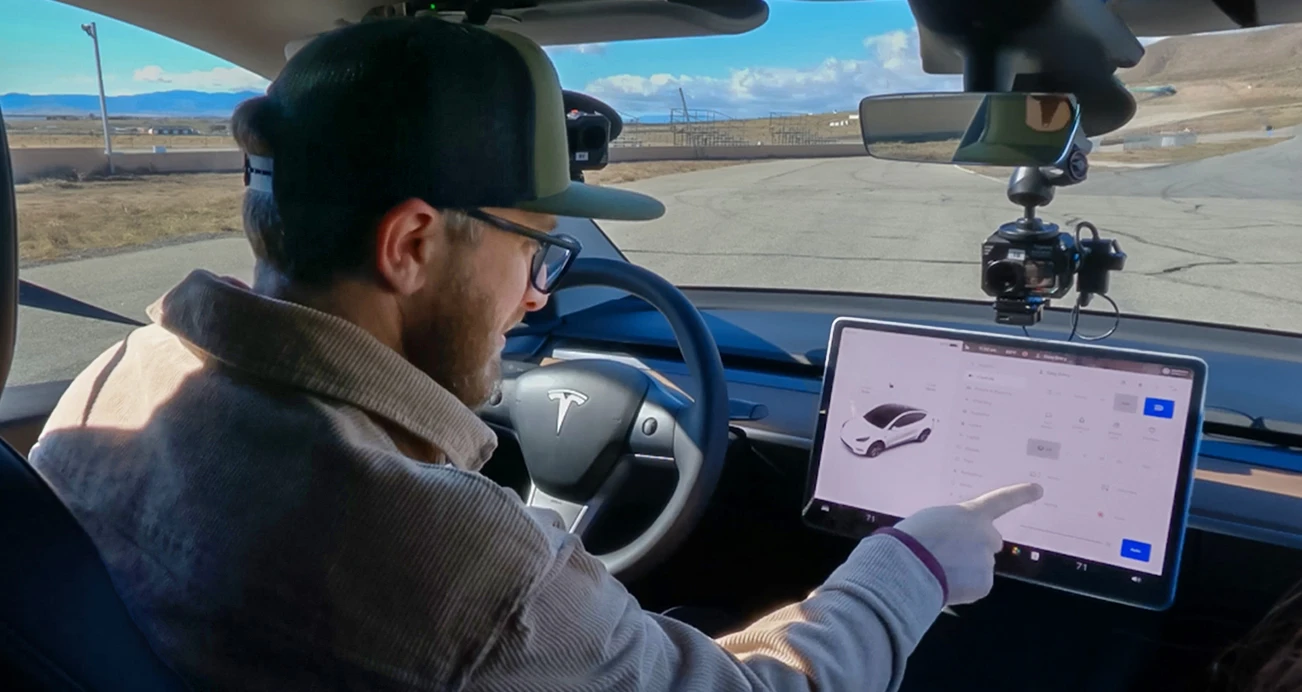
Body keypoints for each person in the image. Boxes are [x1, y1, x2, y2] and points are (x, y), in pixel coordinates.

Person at [28, 17, 1043, 691]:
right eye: (531, 246)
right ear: (413, 243)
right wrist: (910, 563)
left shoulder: (123, 378)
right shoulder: (445, 555)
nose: (541, 291)